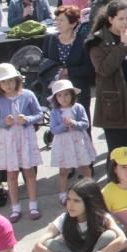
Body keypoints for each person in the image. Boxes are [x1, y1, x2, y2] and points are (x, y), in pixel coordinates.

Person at [86, 0, 127, 179]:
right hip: (115, 107)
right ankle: (116, 193)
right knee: (119, 155)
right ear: (110, 19)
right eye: (121, 19)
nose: (125, 23)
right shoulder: (96, 42)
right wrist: (123, 46)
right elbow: (104, 69)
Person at [0, 63, 43, 223]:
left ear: (17, 80)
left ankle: (33, 205)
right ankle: (15, 207)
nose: (8, 85)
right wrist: (4, 122)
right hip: (7, 139)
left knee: (29, 172)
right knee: (11, 174)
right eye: (3, 82)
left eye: (11, 81)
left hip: (25, 136)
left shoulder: (28, 94)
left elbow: (39, 114)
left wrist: (27, 119)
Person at [48, 79, 95, 207]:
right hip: (63, 143)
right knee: (64, 170)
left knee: (85, 166)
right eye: (59, 95)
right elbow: (53, 129)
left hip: (78, 141)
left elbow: (85, 124)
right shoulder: (54, 112)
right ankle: (62, 193)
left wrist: (74, 123)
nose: (63, 98)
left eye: (66, 94)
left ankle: (89, 189)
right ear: (55, 98)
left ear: (72, 95)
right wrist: (64, 125)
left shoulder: (78, 107)